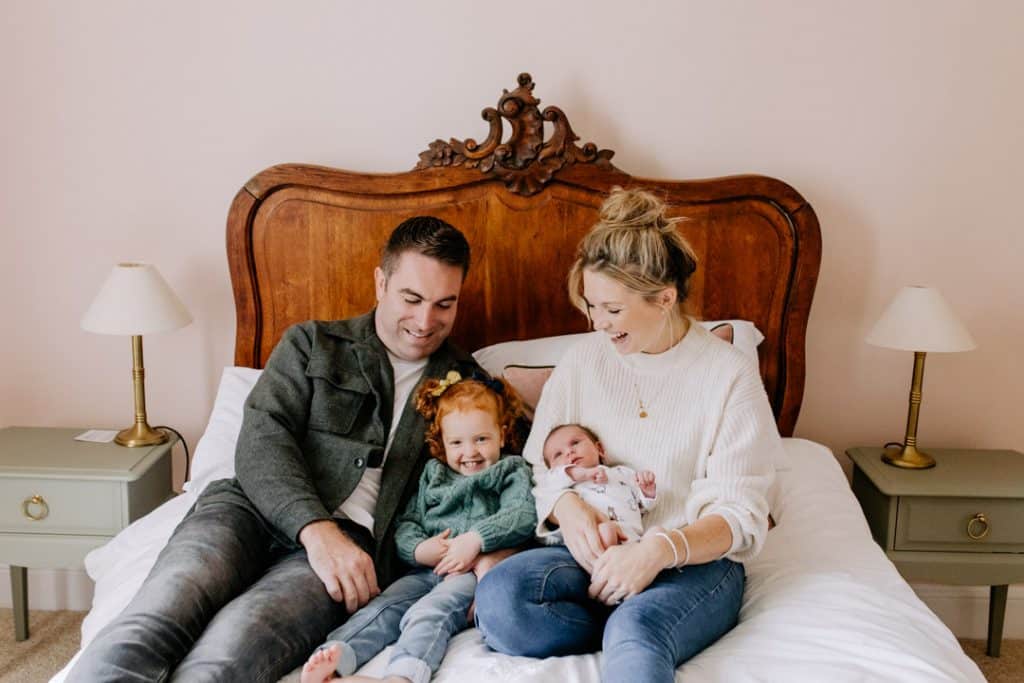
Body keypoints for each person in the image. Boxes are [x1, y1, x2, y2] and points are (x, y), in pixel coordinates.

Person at [68, 217, 497, 681]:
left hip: (351, 548)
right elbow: (262, 438)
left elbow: (513, 469)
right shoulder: (311, 343)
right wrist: (316, 530)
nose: (425, 321)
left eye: (444, 304)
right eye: (411, 299)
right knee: (154, 618)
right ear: (381, 283)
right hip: (245, 512)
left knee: (229, 651)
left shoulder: (469, 384)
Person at [474, 188, 782, 683]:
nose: (598, 323)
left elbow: (739, 515)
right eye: (591, 306)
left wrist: (655, 551)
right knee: (501, 600)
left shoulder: (728, 375)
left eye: (612, 310)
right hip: (594, 553)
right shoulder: (582, 361)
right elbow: (539, 468)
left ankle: (638, 628)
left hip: (692, 560)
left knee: (636, 629)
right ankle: (625, 621)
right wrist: (568, 509)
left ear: (665, 298)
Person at [300, 373, 536, 683]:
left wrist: (476, 540)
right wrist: (420, 549)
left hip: (470, 573)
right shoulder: (433, 474)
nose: (470, 452)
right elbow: (408, 523)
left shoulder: (511, 469)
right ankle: (336, 657)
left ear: (502, 436)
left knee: (430, 612)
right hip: (426, 570)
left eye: (481, 439)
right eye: (457, 442)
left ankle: (404, 675)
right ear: (442, 443)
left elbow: (522, 513)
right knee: (383, 608)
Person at [539, 423, 656, 545]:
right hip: (593, 537)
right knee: (607, 531)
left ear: (599, 449)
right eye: (558, 454)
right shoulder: (562, 484)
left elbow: (643, 507)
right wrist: (585, 474)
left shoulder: (622, 472)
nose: (569, 451)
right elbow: (556, 478)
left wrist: (647, 492)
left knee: (657, 534)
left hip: (632, 538)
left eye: (575, 443)